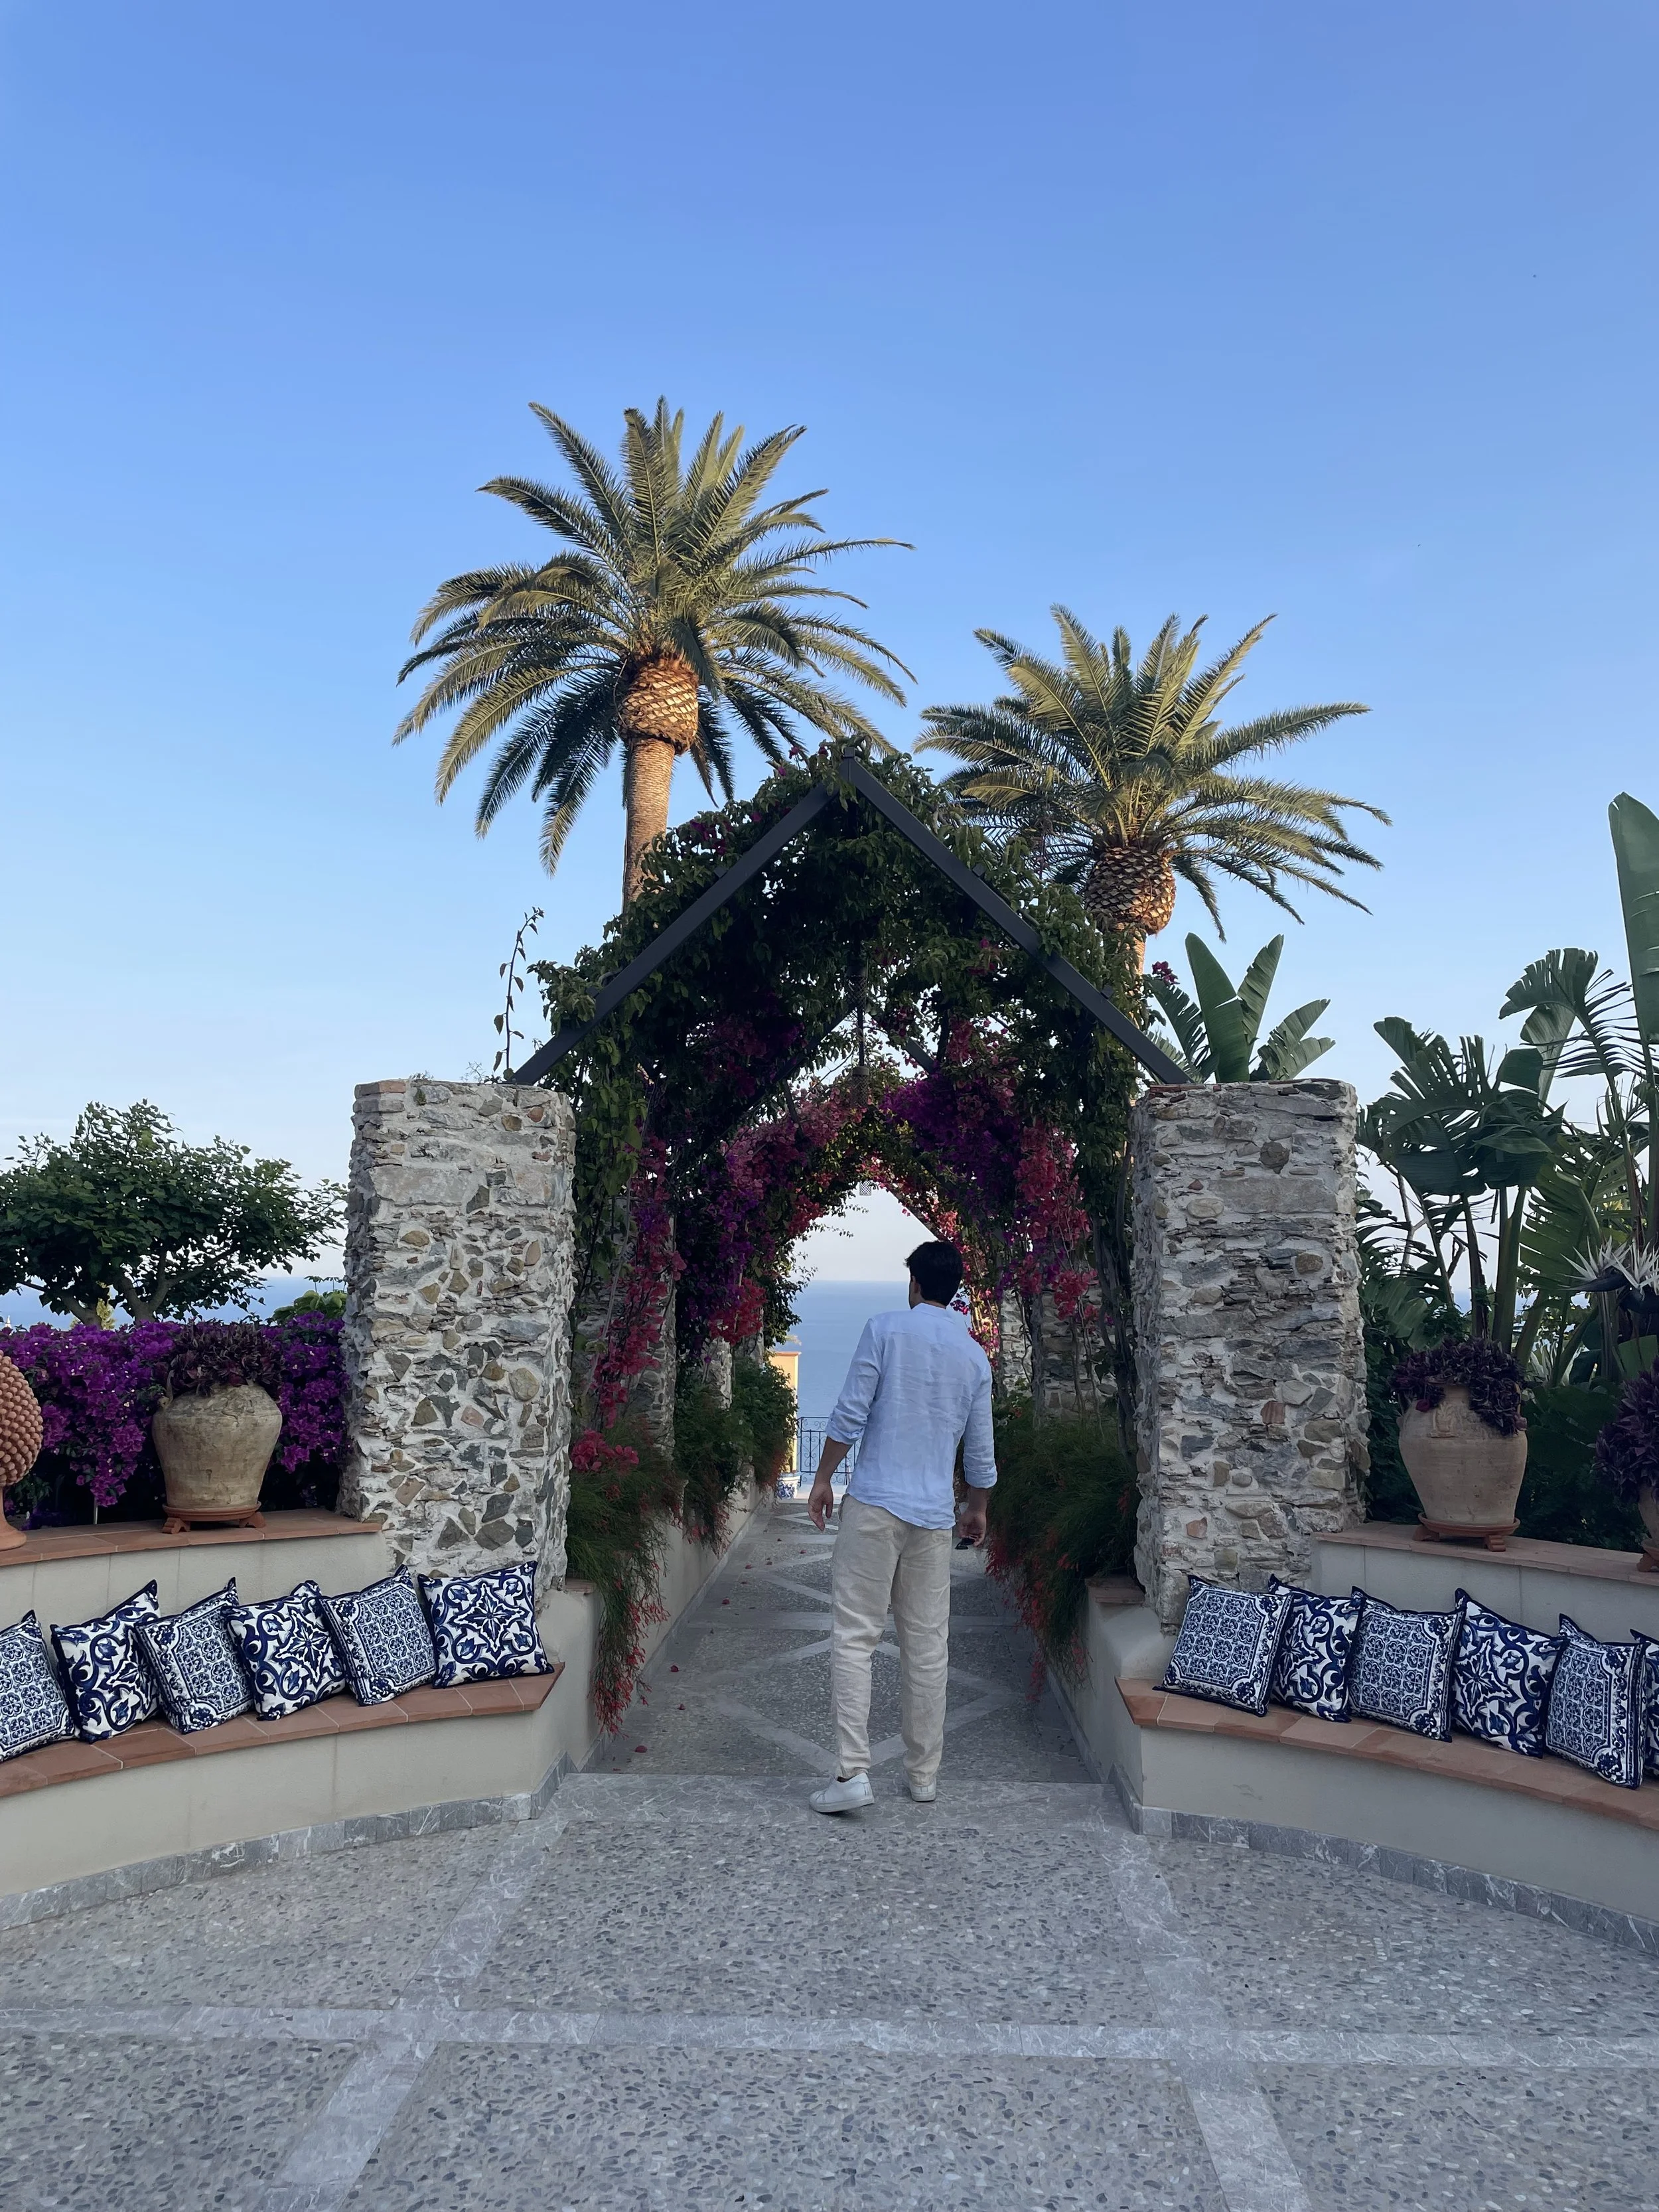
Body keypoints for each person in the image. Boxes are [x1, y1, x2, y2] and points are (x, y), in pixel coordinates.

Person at [805, 1239, 995, 1813]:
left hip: (874, 1506)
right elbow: (981, 1457)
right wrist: (976, 1509)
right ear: (954, 1289)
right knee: (928, 1646)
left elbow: (849, 1414)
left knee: (856, 1636)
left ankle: (851, 1774)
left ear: (914, 1284)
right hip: (934, 1518)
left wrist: (822, 1479)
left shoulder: (884, 1330)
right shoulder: (973, 1356)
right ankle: (923, 1776)